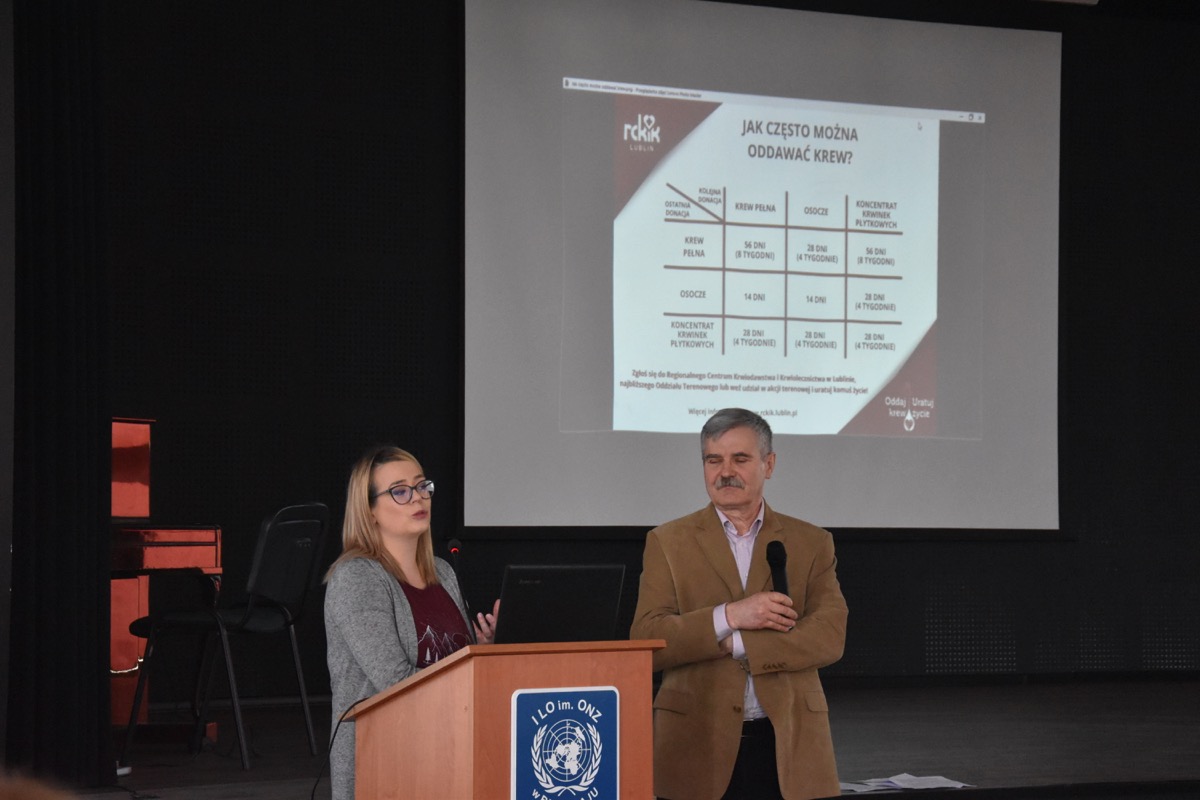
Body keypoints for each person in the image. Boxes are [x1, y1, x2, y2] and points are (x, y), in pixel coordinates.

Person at [630, 408, 848, 800]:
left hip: (789, 746)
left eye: (740, 459)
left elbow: (829, 636)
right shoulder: (667, 541)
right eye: (713, 460)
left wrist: (738, 642)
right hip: (694, 746)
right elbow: (647, 639)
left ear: (769, 464)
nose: (725, 472)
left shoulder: (812, 542)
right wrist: (730, 615)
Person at [323, 445, 499, 800]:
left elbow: (450, 665)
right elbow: (396, 683)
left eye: (421, 486)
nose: (418, 497)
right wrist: (471, 678)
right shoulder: (357, 578)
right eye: (399, 491)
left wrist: (483, 653)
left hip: (450, 754)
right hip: (386, 764)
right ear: (369, 511)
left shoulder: (443, 572)